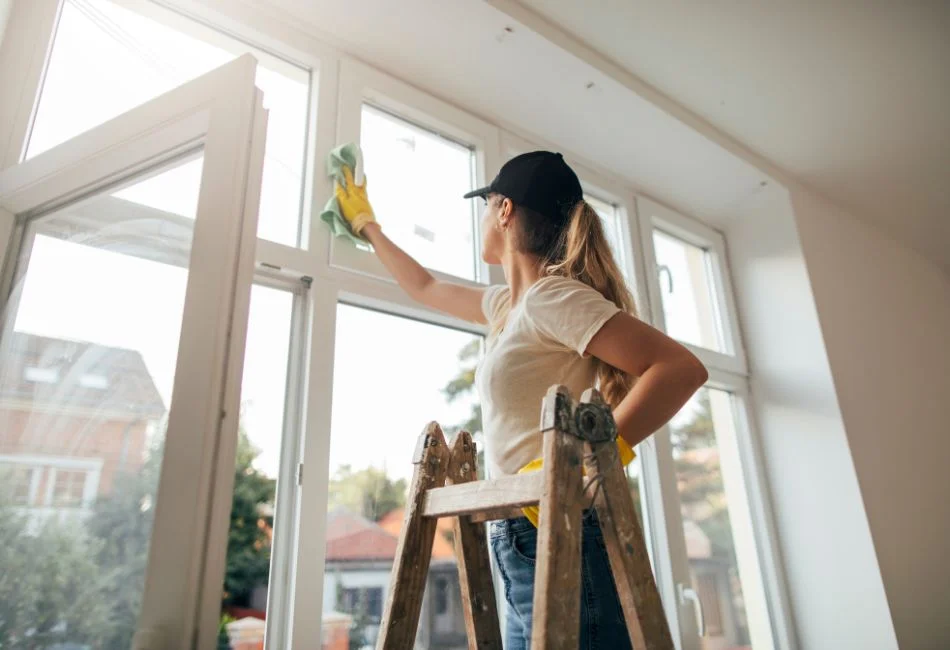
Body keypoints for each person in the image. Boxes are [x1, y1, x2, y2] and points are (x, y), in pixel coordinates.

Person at [335, 150, 708, 648]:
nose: (484, 217)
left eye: (487, 205)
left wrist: (591, 461)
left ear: (505, 210)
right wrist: (366, 224)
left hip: (562, 530)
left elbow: (680, 369)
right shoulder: (507, 307)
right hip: (517, 535)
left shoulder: (554, 298)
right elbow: (423, 285)